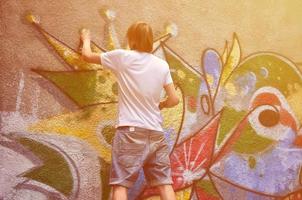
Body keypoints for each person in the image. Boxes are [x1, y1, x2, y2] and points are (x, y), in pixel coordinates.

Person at [80, 21, 179, 200]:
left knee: (120, 185)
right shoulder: (161, 65)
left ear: (131, 38)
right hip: (156, 132)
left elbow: (87, 56)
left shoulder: (123, 57)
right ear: (150, 40)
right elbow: (174, 99)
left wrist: (86, 39)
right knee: (165, 183)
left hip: (130, 132)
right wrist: (162, 104)